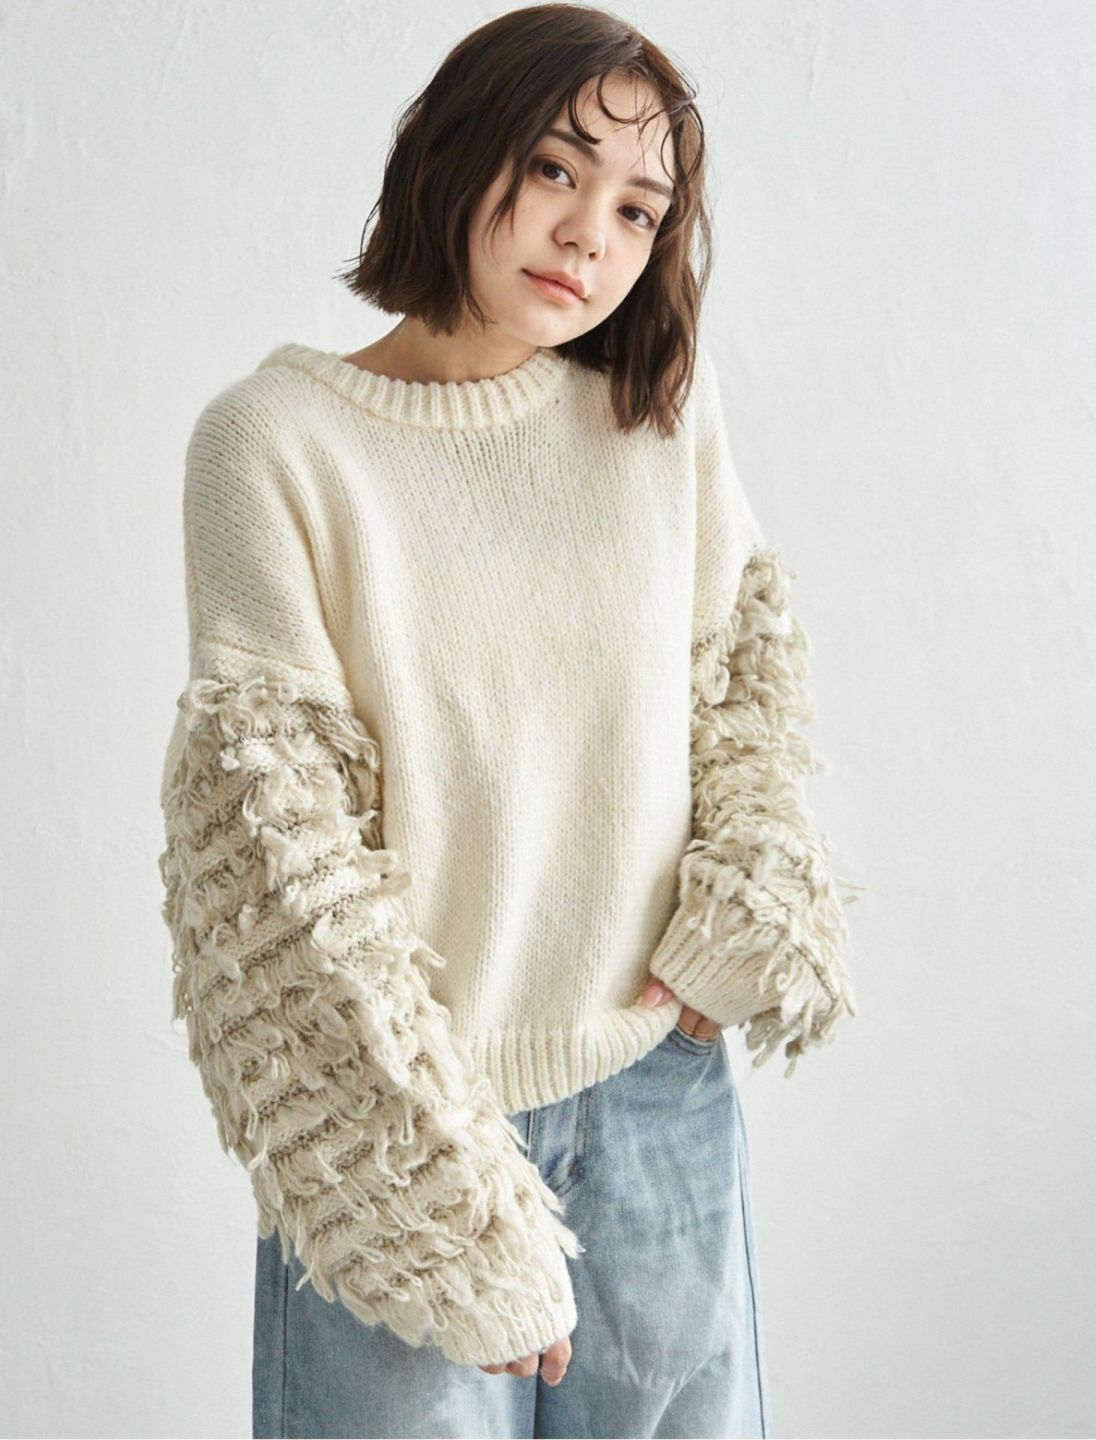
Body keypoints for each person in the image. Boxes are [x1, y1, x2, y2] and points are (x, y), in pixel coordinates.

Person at [156, 5, 863, 1436]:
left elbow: (743, 687)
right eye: (554, 169)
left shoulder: (657, 417)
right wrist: (440, 1201)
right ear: (456, 152)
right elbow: (274, 856)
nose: (589, 235)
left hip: (657, 1095)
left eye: (638, 208)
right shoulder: (274, 444)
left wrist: (739, 928)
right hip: (398, 1141)